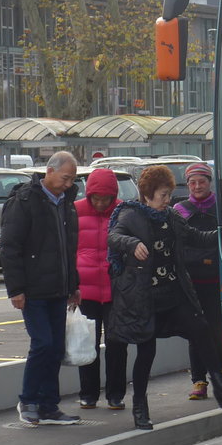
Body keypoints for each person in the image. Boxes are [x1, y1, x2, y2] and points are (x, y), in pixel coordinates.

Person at [107, 165, 222, 430]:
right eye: (163, 194)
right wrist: (133, 244)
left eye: (169, 194)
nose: (168, 200)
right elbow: (114, 236)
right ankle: (140, 407)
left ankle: (220, 384)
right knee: (146, 353)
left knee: (201, 329)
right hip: (145, 298)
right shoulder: (131, 215)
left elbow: (198, 237)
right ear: (147, 193)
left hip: (173, 294)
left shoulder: (172, 217)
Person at [1, 150, 82, 426]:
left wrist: (73, 285)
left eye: (72, 180)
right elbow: (11, 248)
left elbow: (69, 249)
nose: (68, 184)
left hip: (58, 288)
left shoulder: (66, 203)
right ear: (49, 171)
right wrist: (16, 289)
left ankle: (49, 405)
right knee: (43, 343)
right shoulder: (24, 201)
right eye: (65, 178)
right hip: (33, 288)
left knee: (56, 347)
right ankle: (28, 400)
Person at [172, 162, 222, 401]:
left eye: (201, 182)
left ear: (209, 182)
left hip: (218, 279)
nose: (196, 186)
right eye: (192, 182)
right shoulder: (180, 209)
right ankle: (199, 380)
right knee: (196, 331)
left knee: (218, 328)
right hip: (191, 281)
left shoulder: (221, 206)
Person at [75, 167, 127, 410]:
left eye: (105, 198)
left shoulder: (123, 211)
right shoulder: (75, 211)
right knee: (88, 344)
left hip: (115, 287)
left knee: (117, 343)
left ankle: (116, 394)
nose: (100, 203)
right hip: (85, 289)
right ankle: (88, 393)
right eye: (95, 198)